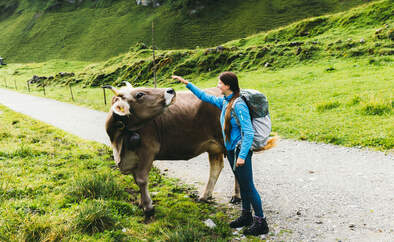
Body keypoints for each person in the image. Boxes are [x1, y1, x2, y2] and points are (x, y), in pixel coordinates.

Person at [171, 72, 269, 236]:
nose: (217, 85)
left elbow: (249, 132)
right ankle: (246, 215)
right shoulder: (225, 101)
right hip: (230, 150)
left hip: (239, 150)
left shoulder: (238, 105)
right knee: (243, 185)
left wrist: (243, 156)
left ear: (228, 86)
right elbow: (204, 96)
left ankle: (261, 221)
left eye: (220, 83)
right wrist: (186, 83)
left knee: (248, 186)